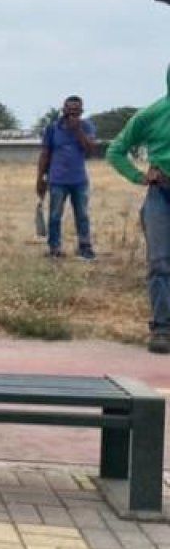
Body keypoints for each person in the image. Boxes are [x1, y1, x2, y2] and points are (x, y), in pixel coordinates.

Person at [106, 63, 170, 354]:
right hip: (162, 195)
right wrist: (139, 176)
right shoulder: (152, 114)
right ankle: (162, 327)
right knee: (159, 262)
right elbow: (115, 150)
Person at [36, 96, 98, 260]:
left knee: (82, 215)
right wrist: (40, 178)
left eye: (76, 111)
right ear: (63, 110)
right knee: (55, 215)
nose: (72, 114)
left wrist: (78, 130)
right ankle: (54, 248)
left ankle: (85, 247)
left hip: (79, 180)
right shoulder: (52, 129)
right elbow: (45, 154)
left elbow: (91, 151)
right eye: (69, 110)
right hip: (57, 180)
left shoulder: (87, 126)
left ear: (81, 112)